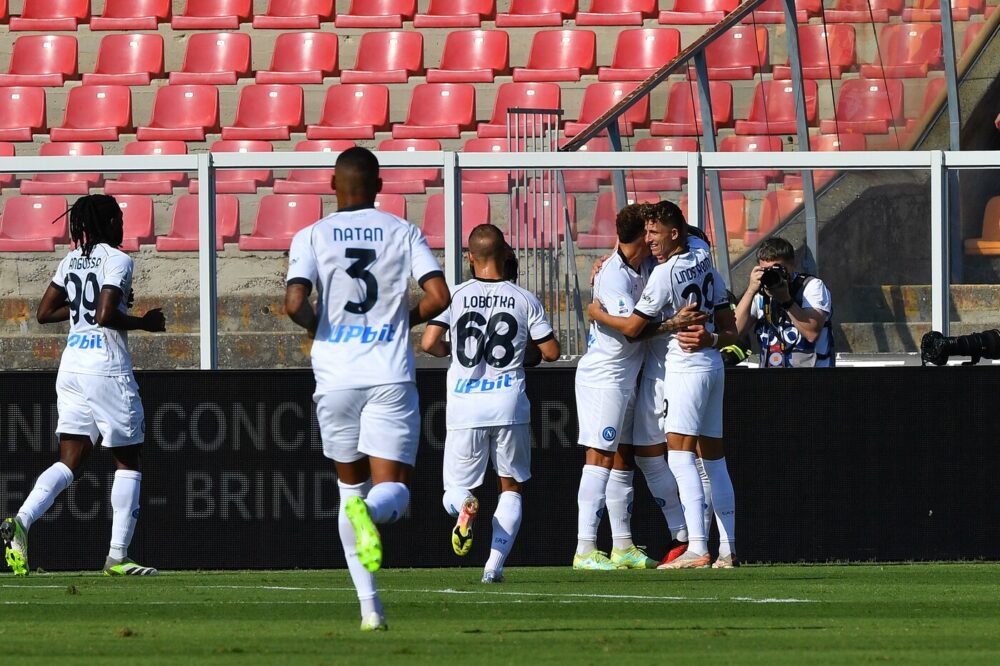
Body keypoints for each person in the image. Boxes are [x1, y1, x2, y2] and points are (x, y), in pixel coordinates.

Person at [285, 147, 450, 631]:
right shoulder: (403, 231)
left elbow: (294, 302)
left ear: (332, 185)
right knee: (392, 492)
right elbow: (439, 297)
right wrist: (403, 318)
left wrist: (319, 326)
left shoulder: (311, 234)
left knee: (348, 488)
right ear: (379, 186)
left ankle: (370, 609)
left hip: (334, 377)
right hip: (388, 374)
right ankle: (368, 512)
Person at [2, 194, 166, 577]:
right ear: (107, 224)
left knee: (70, 459)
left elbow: (44, 313)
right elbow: (105, 315)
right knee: (128, 458)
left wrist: (81, 308)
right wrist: (143, 323)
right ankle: (117, 556)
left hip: (72, 365)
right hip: (105, 367)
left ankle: (21, 521)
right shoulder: (118, 259)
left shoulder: (71, 259)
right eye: (118, 219)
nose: (122, 225)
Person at [588, 201, 740, 569]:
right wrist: (712, 339)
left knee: (680, 456)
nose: (649, 240)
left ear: (674, 234)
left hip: (684, 369)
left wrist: (596, 313)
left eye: (655, 233)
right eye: (646, 233)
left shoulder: (664, 274)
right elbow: (730, 327)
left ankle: (696, 547)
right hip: (712, 363)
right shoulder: (703, 256)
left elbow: (633, 330)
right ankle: (727, 549)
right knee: (714, 460)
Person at [421, 224, 560, 584]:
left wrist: (455, 353)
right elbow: (551, 352)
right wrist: (522, 353)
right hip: (508, 403)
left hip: (465, 405)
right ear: (506, 254)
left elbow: (428, 342)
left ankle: (464, 507)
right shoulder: (524, 298)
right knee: (510, 488)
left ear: (470, 256)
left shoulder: (454, 294)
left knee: (454, 492)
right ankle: (492, 567)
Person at [573, 204, 705, 571]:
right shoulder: (613, 276)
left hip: (631, 375)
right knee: (600, 456)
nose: (653, 239)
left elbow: (690, 237)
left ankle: (623, 546)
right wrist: (600, 314)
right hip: (606, 377)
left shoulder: (647, 263)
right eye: (647, 234)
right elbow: (632, 332)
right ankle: (585, 548)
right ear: (639, 240)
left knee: (625, 457)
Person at [734, 237, 834, 368]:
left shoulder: (811, 287)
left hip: (811, 376)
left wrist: (786, 300)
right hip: (772, 376)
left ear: (792, 264)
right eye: (766, 270)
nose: (772, 275)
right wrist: (750, 291)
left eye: (777, 269)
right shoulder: (760, 293)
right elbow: (734, 333)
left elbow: (811, 333)